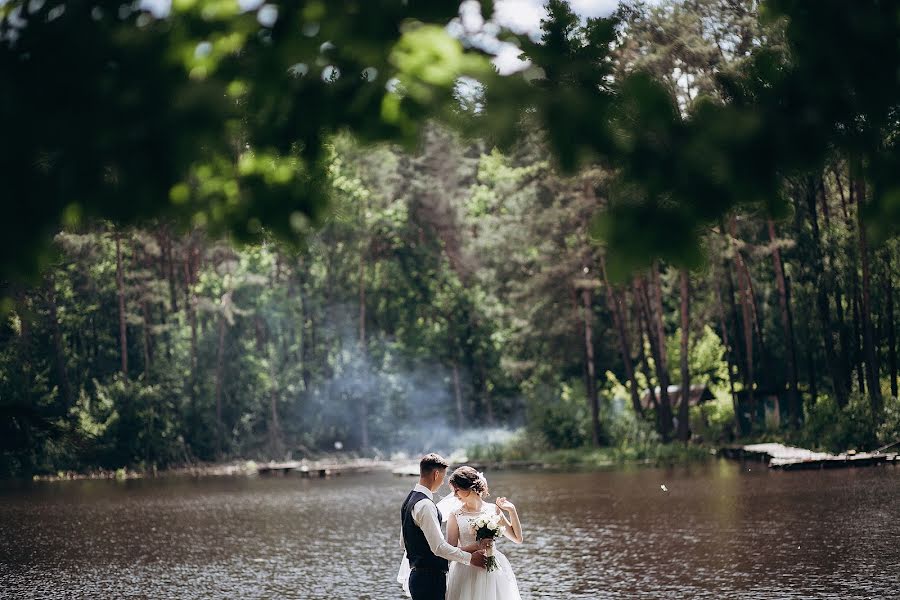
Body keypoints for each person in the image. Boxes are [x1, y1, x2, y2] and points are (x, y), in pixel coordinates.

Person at [398, 454, 486, 600]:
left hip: (417, 577)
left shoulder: (409, 501)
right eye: (443, 477)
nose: (443, 481)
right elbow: (438, 548)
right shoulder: (426, 505)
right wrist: (470, 558)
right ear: (436, 474)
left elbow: (403, 542)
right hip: (430, 580)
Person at [444, 466, 523, 600]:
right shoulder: (455, 515)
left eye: (457, 490)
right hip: (466, 570)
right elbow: (450, 552)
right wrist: (475, 547)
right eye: (453, 491)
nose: (455, 495)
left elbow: (517, 538)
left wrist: (512, 510)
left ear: (470, 487)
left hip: (492, 569)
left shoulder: (493, 510)